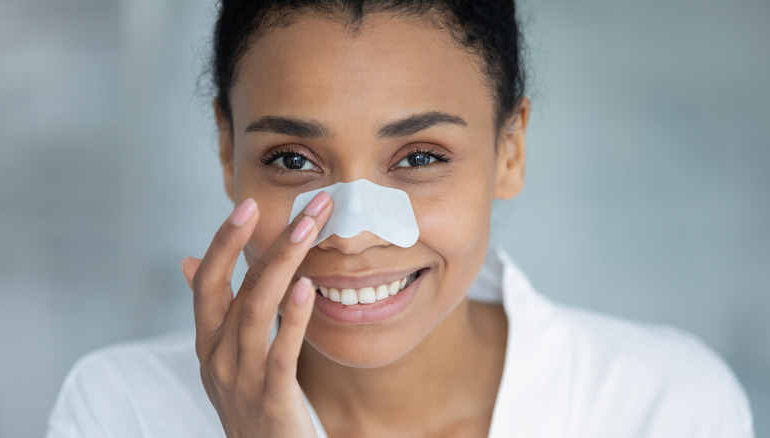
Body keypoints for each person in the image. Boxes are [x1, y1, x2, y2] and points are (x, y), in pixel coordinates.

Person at [46, 1, 754, 437]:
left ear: (509, 151)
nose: (351, 234)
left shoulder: (664, 407)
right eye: (293, 160)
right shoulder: (123, 411)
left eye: (418, 158)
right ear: (228, 150)